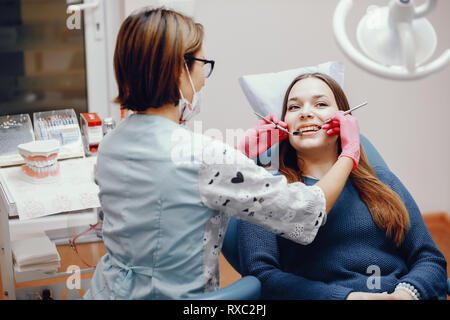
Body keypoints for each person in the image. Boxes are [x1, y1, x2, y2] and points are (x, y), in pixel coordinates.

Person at [83, 8, 361, 299]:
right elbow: (305, 213)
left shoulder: (110, 144)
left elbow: (173, 184)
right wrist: (349, 154)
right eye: (203, 64)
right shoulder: (205, 156)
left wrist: (237, 155)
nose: (204, 77)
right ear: (180, 70)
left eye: (319, 105)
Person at [237, 72, 448, 300]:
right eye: (294, 107)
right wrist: (347, 298)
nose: (306, 112)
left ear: (344, 117)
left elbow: (430, 259)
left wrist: (405, 294)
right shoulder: (264, 191)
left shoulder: (384, 182)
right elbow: (262, 276)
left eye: (321, 103)